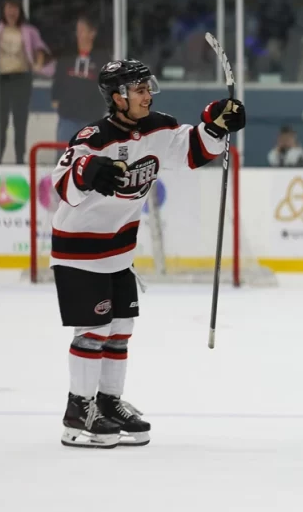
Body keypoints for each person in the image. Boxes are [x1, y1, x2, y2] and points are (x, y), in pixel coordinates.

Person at [50, 59, 246, 448]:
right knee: (93, 331)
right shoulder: (92, 137)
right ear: (117, 97)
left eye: (147, 87)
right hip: (79, 250)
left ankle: (107, 403)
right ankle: (78, 412)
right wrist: (89, 171)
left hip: (119, 249)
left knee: (121, 329)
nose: (147, 95)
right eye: (138, 89)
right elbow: (62, 179)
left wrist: (217, 124)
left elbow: (192, 150)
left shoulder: (158, 127)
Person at [0, 0, 52, 164]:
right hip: (1, 79)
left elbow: (40, 49)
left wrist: (38, 64)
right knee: (0, 121)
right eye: (9, 8)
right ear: (3, 10)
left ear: (20, 11)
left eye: (15, 8)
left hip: (21, 78)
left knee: (20, 121)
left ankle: (19, 158)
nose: (12, 12)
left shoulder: (28, 30)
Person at [51, 15, 111, 143]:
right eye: (78, 30)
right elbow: (58, 77)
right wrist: (55, 97)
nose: (79, 34)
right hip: (68, 115)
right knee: (65, 156)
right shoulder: (68, 54)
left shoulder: (102, 57)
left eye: (83, 30)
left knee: (89, 156)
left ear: (92, 33)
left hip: (92, 117)